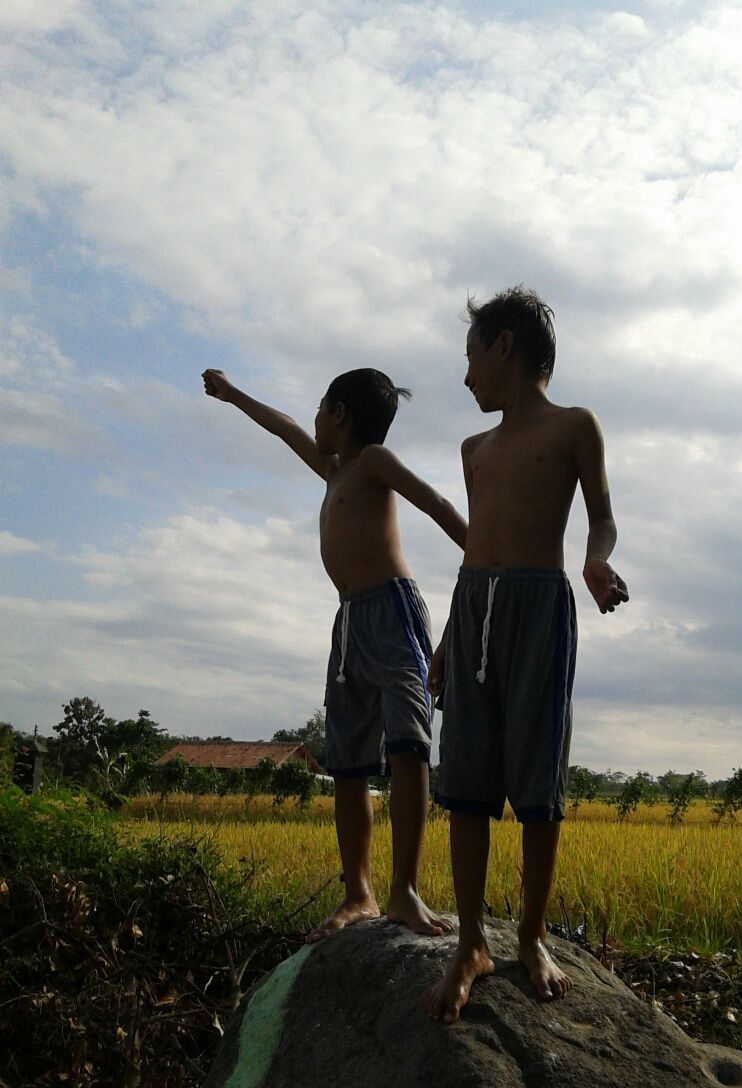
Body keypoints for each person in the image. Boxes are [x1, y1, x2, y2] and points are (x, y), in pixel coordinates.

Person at [202, 366, 467, 941]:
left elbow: (437, 502)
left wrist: (483, 555)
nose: (315, 417)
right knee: (347, 763)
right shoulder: (333, 470)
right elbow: (285, 428)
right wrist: (233, 393)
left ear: (340, 414)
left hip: (394, 614)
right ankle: (359, 893)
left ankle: (405, 891)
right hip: (349, 622)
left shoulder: (371, 463)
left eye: (323, 406)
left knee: (407, 750)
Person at [423, 286, 628, 1024]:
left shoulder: (576, 425)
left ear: (504, 346)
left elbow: (601, 518)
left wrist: (594, 562)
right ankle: (472, 941)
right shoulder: (473, 450)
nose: (467, 374)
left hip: (540, 604)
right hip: (475, 602)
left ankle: (532, 936)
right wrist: (449, 635)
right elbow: (474, 546)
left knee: (538, 780)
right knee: (467, 776)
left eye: (471, 355)